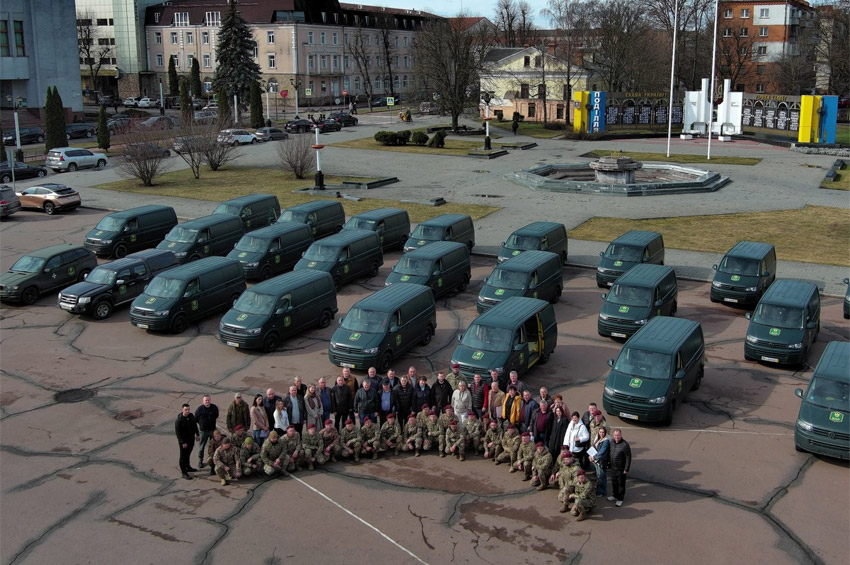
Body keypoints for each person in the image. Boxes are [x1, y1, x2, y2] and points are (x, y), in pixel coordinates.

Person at [175, 403, 200, 479]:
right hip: (184, 441)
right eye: (186, 409)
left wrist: (197, 434)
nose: (188, 411)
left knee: (188, 453)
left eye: (188, 409)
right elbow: (178, 433)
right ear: (183, 410)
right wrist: (183, 442)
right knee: (183, 456)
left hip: (191, 439)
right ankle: (184, 472)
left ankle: (188, 466)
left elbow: (194, 425)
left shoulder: (191, 416)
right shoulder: (179, 420)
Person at [194, 395, 219, 469]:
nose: (207, 402)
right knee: (201, 447)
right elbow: (196, 420)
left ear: (210, 400)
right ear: (203, 401)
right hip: (203, 432)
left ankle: (214, 461)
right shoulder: (199, 410)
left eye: (208, 400)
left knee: (214, 446)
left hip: (212, 430)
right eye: (206, 400)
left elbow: (216, 415)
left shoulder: (214, 408)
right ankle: (200, 461)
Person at [609, 428, 632, 507]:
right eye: (615, 435)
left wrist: (626, 469)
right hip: (613, 467)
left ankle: (620, 499)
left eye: (618, 435)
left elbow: (628, 457)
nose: (616, 437)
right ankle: (615, 495)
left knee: (621, 484)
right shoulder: (612, 442)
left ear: (621, 435)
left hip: (621, 469)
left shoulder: (625, 445)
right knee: (614, 483)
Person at [589, 425, 611, 497]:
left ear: (605, 433)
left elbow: (602, 452)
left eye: (603, 432)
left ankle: (601, 492)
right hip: (597, 460)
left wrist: (593, 457)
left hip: (601, 461)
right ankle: (600, 491)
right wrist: (590, 455)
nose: (601, 434)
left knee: (601, 476)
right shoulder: (599, 439)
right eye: (600, 432)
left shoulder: (606, 441)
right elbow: (594, 447)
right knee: (599, 476)